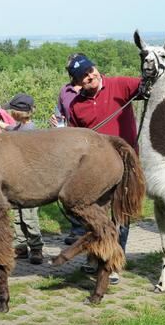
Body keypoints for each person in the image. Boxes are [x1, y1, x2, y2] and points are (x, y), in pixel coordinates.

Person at [66, 53, 142, 285]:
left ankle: (114, 262)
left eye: (90, 71)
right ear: (77, 82)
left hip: (126, 164)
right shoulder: (76, 106)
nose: (90, 77)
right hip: (96, 170)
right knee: (95, 214)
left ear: (96, 68)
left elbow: (147, 84)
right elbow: (75, 139)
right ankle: (97, 256)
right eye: (83, 76)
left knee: (121, 214)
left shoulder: (121, 84)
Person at [0, 93, 44, 265]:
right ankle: (21, 246)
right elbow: (10, 128)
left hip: (29, 183)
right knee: (17, 215)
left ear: (18, 113)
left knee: (29, 216)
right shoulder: (20, 127)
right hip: (16, 181)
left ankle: (36, 248)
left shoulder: (29, 131)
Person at [49, 67, 86, 246]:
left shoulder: (89, 88)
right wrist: (55, 121)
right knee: (69, 188)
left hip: (86, 143)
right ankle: (77, 228)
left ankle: (88, 228)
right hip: (67, 145)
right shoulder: (65, 90)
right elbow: (59, 111)